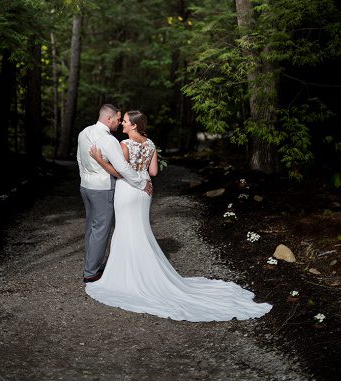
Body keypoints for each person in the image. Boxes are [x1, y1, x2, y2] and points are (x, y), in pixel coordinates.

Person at [86, 110, 272, 321]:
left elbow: (120, 171)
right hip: (145, 191)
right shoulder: (151, 144)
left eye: (126, 122)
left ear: (135, 126)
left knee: (125, 230)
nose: (123, 125)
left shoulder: (125, 145)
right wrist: (143, 176)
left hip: (128, 190)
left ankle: (126, 277)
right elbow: (154, 172)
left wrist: (100, 160)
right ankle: (142, 273)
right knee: (140, 229)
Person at [77, 104, 152, 283]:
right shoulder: (108, 140)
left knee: (91, 227)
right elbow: (122, 168)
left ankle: (91, 264)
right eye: (118, 120)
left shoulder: (84, 132)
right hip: (102, 188)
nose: (119, 123)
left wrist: (85, 177)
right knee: (101, 230)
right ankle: (91, 272)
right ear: (108, 119)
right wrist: (142, 183)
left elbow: (79, 159)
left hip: (86, 186)